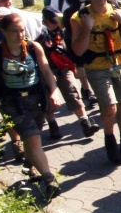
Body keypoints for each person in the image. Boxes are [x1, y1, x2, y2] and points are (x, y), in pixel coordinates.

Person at [0, 11, 63, 200]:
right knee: (33, 138)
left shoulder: (34, 48)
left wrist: (54, 91)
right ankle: (50, 180)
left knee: (32, 138)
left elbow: (46, 70)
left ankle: (28, 164)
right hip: (12, 102)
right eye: (14, 32)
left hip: (36, 99)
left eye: (22, 30)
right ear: (3, 32)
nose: (20, 35)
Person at [70, 0, 121, 164]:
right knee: (109, 106)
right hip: (96, 66)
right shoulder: (79, 17)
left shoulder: (119, 9)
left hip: (119, 62)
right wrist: (87, 28)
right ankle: (110, 141)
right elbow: (77, 50)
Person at [40, 7, 97, 139]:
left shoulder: (64, 31)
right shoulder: (41, 34)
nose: (56, 23)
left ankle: (85, 121)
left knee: (72, 91)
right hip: (48, 69)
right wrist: (46, 71)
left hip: (64, 67)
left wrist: (75, 65)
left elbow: (70, 49)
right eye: (53, 21)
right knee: (48, 99)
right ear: (45, 20)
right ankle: (52, 124)